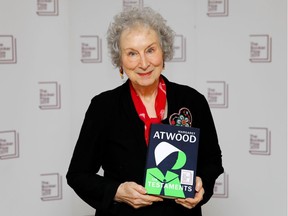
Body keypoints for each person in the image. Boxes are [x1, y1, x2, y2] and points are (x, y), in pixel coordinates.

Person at [66, 6, 224, 216]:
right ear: (120, 61)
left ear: (163, 52)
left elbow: (212, 160)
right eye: (132, 53)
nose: (143, 63)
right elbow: (78, 174)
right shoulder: (103, 107)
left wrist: (202, 184)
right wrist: (117, 191)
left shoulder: (193, 101)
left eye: (150, 50)